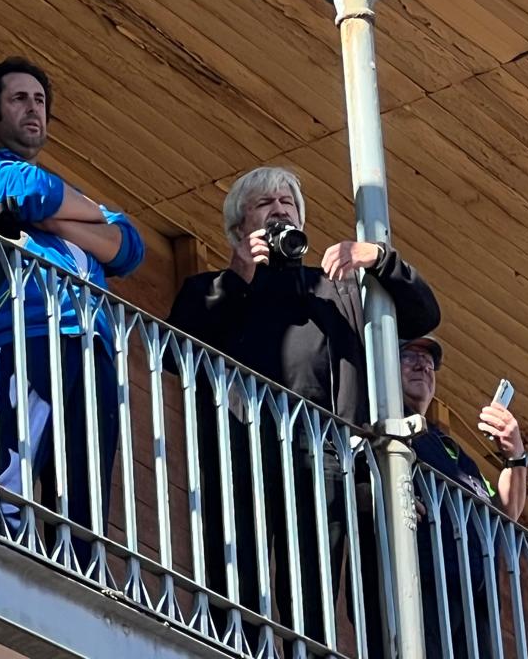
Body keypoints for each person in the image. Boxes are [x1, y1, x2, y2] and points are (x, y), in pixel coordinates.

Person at [167, 165, 440, 642]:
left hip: (324, 458)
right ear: (238, 230)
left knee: (311, 588)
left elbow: (422, 313)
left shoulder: (338, 288)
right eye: (265, 205)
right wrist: (238, 278)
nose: (279, 213)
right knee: (237, 574)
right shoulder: (215, 290)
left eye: (287, 204)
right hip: (243, 453)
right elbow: (175, 352)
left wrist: (376, 258)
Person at [0, 57, 144, 540]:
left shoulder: (67, 196)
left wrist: (62, 215)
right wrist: (93, 216)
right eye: (19, 99)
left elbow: (130, 246)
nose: (33, 109)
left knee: (85, 481)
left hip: (92, 343)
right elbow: (30, 191)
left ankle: (78, 565)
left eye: (39, 101)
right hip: (24, 333)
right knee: (12, 459)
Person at [392, 335, 528, 659]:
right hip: (423, 587)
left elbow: (504, 512)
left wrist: (516, 454)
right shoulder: (387, 425)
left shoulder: (453, 451)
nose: (422, 365)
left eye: (428, 361)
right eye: (409, 355)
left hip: (474, 600)